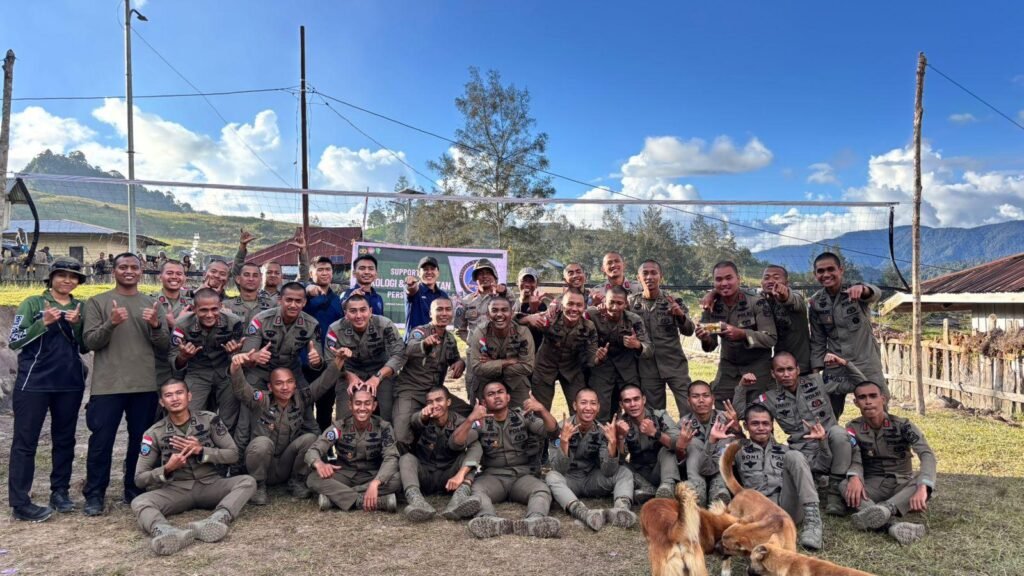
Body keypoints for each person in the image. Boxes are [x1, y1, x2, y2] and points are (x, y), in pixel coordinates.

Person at [82, 253, 170, 515]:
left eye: (134, 267)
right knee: (101, 442)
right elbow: (90, 342)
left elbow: (164, 346)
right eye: (123, 267)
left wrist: (156, 325)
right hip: (108, 385)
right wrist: (111, 324)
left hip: (144, 385)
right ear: (114, 270)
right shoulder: (97, 302)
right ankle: (94, 494)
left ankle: (134, 489)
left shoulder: (152, 304)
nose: (129, 271)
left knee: (140, 443)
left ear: (141, 271)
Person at [130, 379, 257, 556]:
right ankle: (166, 532)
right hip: (176, 490)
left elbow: (233, 454)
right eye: (168, 395)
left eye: (179, 393)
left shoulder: (209, 419)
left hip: (210, 484)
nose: (175, 398)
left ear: (189, 396)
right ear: (162, 402)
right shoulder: (153, 433)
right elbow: (139, 479)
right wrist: (167, 468)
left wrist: (202, 451)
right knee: (139, 502)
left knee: (248, 482)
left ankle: (217, 519)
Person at [8, 258, 88, 522]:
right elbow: (14, 340)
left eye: (73, 276)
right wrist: (44, 322)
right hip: (34, 382)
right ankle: (20, 502)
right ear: (51, 277)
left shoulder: (81, 307)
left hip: (70, 383)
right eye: (62, 275)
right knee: (25, 441)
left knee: (65, 440)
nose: (67, 280)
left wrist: (77, 325)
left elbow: (85, 345)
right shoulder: (33, 303)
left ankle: (60, 492)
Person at [229, 349, 344, 505]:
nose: (285, 387)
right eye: (279, 383)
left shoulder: (300, 399)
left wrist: (338, 361)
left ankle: (297, 481)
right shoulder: (261, 400)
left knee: (310, 439)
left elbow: (322, 384)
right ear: (270, 387)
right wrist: (236, 367)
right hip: (262, 465)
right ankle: (259, 485)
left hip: (285, 464)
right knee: (262, 443)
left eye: (289, 382)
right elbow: (242, 389)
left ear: (295, 384)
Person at [453, 382, 561, 539]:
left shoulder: (523, 417)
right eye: (491, 394)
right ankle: (489, 520)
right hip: (493, 476)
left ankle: (534, 520)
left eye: (500, 392)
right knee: (477, 491)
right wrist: (470, 419)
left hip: (522, 475)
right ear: (484, 402)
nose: (497, 396)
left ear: (508, 397)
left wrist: (542, 410)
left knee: (541, 490)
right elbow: (456, 443)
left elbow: (552, 432)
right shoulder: (480, 422)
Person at [710, 403, 824, 550]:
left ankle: (813, 522)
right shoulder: (739, 450)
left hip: (787, 508)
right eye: (755, 423)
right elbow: (708, 469)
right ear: (746, 426)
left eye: (765, 423)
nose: (761, 428)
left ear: (772, 426)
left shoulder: (785, 450)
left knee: (795, 456)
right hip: (757, 513)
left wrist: (822, 442)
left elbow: (820, 467)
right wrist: (712, 442)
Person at [758, 351, 861, 514]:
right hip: (803, 451)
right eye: (780, 370)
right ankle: (819, 484)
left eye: (790, 369)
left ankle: (834, 493)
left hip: (830, 444)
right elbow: (744, 413)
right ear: (773, 373)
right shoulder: (769, 398)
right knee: (791, 461)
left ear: (798, 370)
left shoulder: (818, 382)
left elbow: (861, 384)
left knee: (839, 433)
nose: (786, 374)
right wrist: (742, 388)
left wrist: (845, 364)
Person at [839, 381, 935, 546]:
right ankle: (892, 526)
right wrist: (854, 477)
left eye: (873, 396)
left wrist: (922, 486)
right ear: (856, 402)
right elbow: (855, 456)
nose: (868, 401)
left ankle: (885, 509)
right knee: (844, 484)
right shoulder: (853, 427)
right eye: (862, 397)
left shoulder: (903, 425)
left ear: (883, 399)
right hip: (873, 483)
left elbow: (926, 454)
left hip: (902, 483)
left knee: (926, 483)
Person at [545, 388, 637, 531]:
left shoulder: (602, 431)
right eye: (583, 403)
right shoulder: (561, 429)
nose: (588, 408)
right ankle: (582, 512)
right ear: (575, 405)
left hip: (592, 479)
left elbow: (608, 471)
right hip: (570, 480)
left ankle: (621, 509)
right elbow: (559, 469)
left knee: (624, 472)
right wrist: (564, 443)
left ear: (598, 407)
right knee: (551, 476)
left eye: (593, 403)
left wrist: (613, 444)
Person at [808, 252, 887, 417]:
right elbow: (818, 339)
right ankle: (831, 434)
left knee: (878, 410)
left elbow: (875, 293)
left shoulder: (856, 290)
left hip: (865, 362)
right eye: (821, 271)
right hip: (835, 364)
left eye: (831, 269)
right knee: (827, 413)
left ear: (841, 270)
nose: (826, 274)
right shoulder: (816, 302)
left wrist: (863, 289)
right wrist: (815, 372)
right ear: (815, 274)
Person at [695, 261, 777, 414]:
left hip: (757, 368)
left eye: (729, 278)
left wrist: (743, 334)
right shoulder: (711, 305)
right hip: (728, 368)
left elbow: (771, 338)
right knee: (723, 413)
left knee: (759, 416)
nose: (724, 283)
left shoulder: (756, 302)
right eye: (719, 279)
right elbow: (710, 346)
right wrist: (704, 338)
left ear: (738, 279)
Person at [305, 388, 402, 513]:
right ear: (350, 405)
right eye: (358, 403)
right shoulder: (339, 427)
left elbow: (391, 457)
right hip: (345, 474)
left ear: (374, 406)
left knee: (398, 479)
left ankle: (339, 497)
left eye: (367, 403)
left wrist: (375, 483)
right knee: (313, 478)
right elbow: (314, 450)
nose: (362, 408)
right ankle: (364, 500)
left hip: (373, 474)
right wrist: (319, 463)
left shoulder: (383, 427)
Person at [393, 297, 470, 447]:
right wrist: (424, 344)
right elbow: (410, 348)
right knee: (401, 436)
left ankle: (448, 450)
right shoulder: (420, 331)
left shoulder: (450, 339)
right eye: (439, 309)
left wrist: (460, 362)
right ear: (430, 313)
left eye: (448, 309)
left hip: (435, 393)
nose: (444, 313)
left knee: (470, 414)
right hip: (411, 391)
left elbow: (454, 358)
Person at [399, 386, 483, 522]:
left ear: (448, 402)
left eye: (439, 400)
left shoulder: (461, 422)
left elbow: (461, 442)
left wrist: (460, 475)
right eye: (430, 402)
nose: (434, 405)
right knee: (406, 459)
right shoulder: (423, 419)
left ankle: (459, 499)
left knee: (474, 449)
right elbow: (415, 421)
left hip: (450, 477)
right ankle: (417, 502)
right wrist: (423, 416)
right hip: (425, 474)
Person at [168, 288, 246, 432]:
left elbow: (241, 356)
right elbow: (173, 359)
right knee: (190, 415)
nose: (209, 315)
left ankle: (224, 445)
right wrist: (183, 356)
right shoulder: (181, 325)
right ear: (194, 309)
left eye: (214, 309)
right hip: (197, 372)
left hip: (225, 371)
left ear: (221, 306)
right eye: (203, 310)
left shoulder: (233, 322)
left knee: (228, 418)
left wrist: (234, 353)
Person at [326, 293, 406, 422]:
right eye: (353, 311)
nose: (358, 316)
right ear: (346, 314)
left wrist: (378, 377)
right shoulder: (335, 330)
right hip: (348, 371)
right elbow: (329, 360)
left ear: (370, 311)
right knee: (345, 417)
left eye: (363, 310)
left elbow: (399, 354)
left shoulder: (385, 325)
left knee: (388, 414)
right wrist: (348, 376)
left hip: (381, 370)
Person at [628, 260, 695, 413]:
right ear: (638, 278)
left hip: (674, 365)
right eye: (645, 273)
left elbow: (689, 330)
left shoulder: (673, 300)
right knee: (655, 414)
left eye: (654, 273)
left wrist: (680, 315)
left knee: (689, 409)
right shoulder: (631, 302)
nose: (649, 277)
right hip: (647, 368)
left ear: (661, 276)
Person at [522, 290, 599, 413]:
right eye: (570, 304)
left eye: (579, 305)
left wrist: (598, 358)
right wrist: (529, 317)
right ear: (562, 305)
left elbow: (591, 358)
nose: (574, 309)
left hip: (572, 370)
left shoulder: (588, 327)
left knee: (581, 409)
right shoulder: (550, 317)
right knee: (539, 412)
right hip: (544, 368)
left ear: (584, 307)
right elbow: (515, 320)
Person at [588, 285, 651, 422]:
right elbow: (576, 317)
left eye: (619, 303)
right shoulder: (593, 314)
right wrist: (596, 355)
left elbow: (649, 349)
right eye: (611, 302)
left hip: (627, 370)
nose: (615, 307)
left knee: (634, 408)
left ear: (626, 304)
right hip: (602, 369)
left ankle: (634, 434)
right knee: (600, 410)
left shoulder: (634, 320)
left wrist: (637, 345)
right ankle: (600, 435)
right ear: (605, 301)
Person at [676, 381, 740, 507]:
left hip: (719, 468)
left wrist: (737, 427)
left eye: (706, 396)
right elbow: (679, 457)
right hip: (695, 469)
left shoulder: (725, 418)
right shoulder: (684, 424)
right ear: (688, 401)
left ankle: (719, 487)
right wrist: (681, 446)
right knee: (693, 443)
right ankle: (697, 488)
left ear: (713, 399)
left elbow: (741, 444)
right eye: (695, 396)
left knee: (726, 442)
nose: (701, 400)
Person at [614, 384, 681, 501]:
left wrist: (656, 433)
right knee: (616, 463)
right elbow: (620, 458)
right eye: (627, 401)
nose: (633, 404)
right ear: (621, 404)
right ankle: (648, 488)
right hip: (638, 473)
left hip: (661, 469)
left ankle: (667, 486)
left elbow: (679, 444)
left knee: (667, 449)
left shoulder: (659, 416)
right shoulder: (620, 424)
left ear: (643, 400)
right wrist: (620, 437)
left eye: (636, 399)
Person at [465, 297, 535, 406]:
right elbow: (477, 367)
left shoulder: (522, 332)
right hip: (486, 381)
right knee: (481, 414)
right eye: (494, 310)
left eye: (504, 310)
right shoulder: (481, 332)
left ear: (511, 313)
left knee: (523, 414)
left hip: (515, 382)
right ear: (488, 315)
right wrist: (505, 362)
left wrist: (492, 364)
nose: (499, 314)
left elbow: (527, 366)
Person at [303, 256, 344, 430]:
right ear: (311, 273)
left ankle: (324, 443)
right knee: (304, 408)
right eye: (320, 270)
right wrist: (307, 288)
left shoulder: (338, 300)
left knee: (325, 410)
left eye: (328, 269)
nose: (325, 273)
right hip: (305, 361)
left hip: (329, 362)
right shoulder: (303, 297)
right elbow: (292, 289)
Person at [761, 265, 811, 375]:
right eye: (766, 278)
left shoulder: (796, 297)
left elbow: (793, 300)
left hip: (801, 367)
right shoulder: (761, 302)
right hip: (778, 367)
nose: (771, 281)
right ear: (761, 282)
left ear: (786, 283)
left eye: (776, 277)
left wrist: (784, 296)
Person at [455, 258, 508, 342]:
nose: (484, 276)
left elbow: (514, 304)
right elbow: (459, 330)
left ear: (494, 276)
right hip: (474, 349)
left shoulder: (503, 299)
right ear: (475, 278)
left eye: (488, 273)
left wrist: (505, 290)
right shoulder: (466, 301)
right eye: (480, 273)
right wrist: (472, 343)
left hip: (497, 348)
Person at [405, 256, 449, 339]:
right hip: (415, 342)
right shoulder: (416, 290)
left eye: (432, 269)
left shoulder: (443, 295)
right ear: (418, 273)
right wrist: (410, 286)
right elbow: (410, 290)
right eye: (425, 269)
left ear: (438, 272)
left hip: (436, 343)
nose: (429, 272)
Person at [511, 267, 549, 350]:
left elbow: (541, 327)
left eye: (531, 281)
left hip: (533, 350)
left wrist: (534, 310)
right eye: (524, 280)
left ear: (536, 284)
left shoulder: (541, 304)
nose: (527, 284)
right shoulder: (511, 304)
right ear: (517, 282)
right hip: (513, 349)